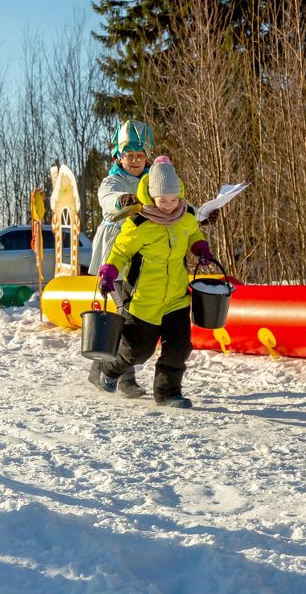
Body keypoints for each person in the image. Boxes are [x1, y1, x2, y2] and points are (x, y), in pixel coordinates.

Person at [91, 156, 214, 408]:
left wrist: (200, 249)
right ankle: (107, 369)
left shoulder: (185, 216)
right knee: (137, 351)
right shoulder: (139, 223)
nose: (169, 205)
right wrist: (108, 273)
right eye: (162, 200)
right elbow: (120, 251)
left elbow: (193, 233)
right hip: (143, 299)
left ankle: (168, 392)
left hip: (176, 297)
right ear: (151, 196)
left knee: (179, 346)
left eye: (173, 199)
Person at [88, 120, 154, 397]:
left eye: (140, 155)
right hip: (114, 258)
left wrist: (199, 215)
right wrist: (122, 200)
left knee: (130, 314)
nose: (136, 160)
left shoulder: (153, 180)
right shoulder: (113, 180)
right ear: (119, 155)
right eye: (130, 155)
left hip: (142, 256)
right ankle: (123, 377)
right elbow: (107, 196)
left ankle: (99, 366)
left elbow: (171, 201)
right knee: (125, 314)